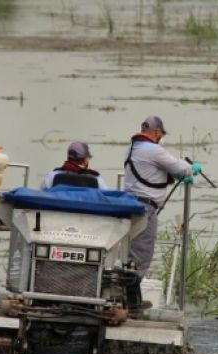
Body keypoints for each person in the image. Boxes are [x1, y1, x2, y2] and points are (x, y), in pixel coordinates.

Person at [124, 115, 202, 280]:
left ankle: (126, 297)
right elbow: (177, 167)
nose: (161, 139)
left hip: (130, 205)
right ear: (157, 132)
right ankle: (130, 301)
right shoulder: (153, 150)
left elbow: (154, 169)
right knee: (142, 254)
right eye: (161, 135)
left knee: (131, 253)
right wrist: (191, 168)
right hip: (145, 209)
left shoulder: (132, 147)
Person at [42, 141, 108, 189]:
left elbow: (43, 195)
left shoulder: (52, 176)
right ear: (85, 160)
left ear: (68, 157)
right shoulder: (97, 180)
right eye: (88, 158)